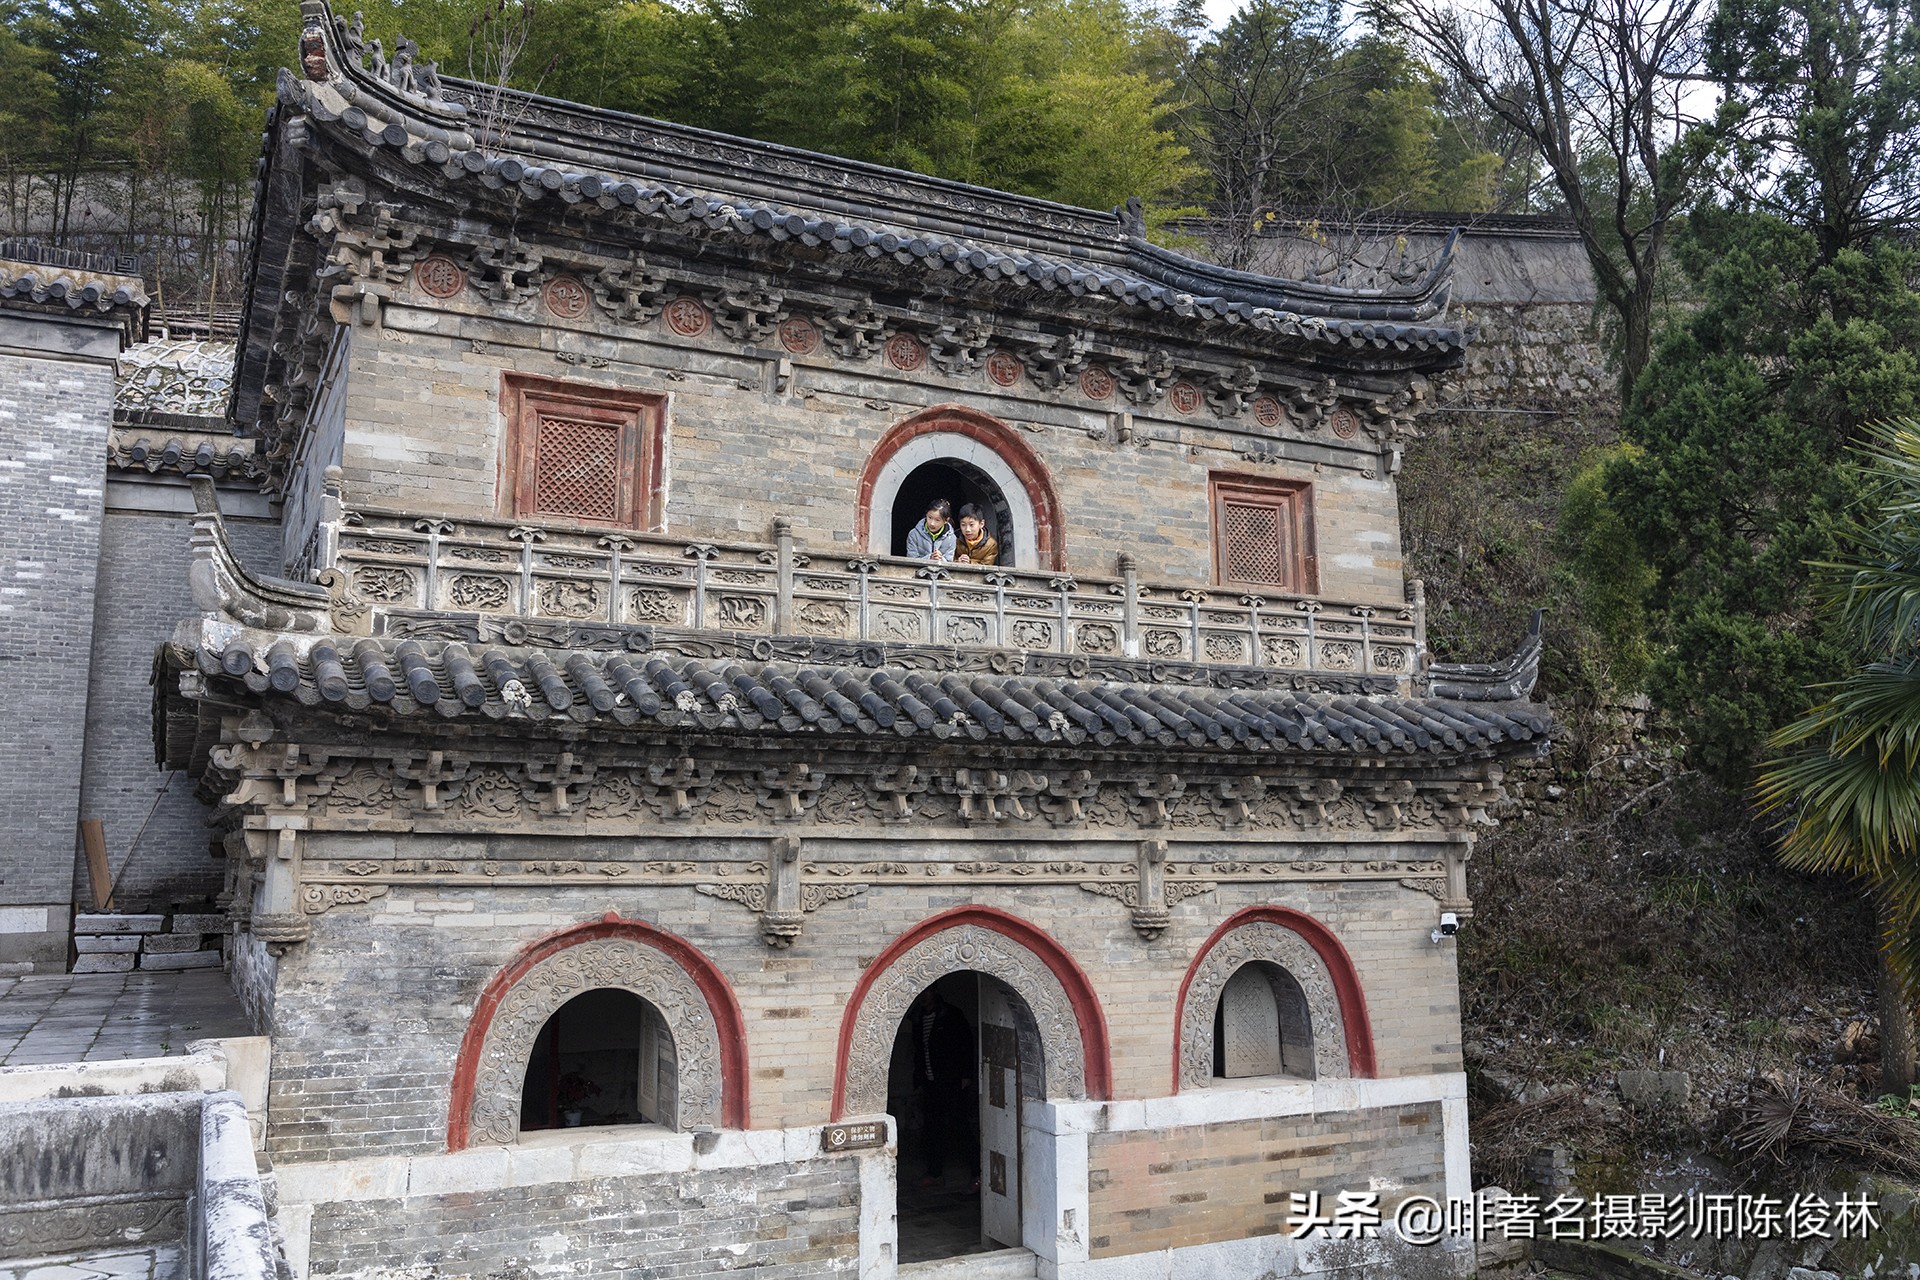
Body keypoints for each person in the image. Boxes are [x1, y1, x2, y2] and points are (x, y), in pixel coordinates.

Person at [910, 987, 974, 1184]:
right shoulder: (918, 1018)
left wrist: (965, 1074)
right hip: (931, 1082)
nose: (923, 996)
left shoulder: (951, 1015)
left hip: (951, 1080)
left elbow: (965, 1044)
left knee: (961, 1126)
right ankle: (935, 1173)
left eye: (926, 992)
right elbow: (919, 1051)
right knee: (932, 1128)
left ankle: (977, 1174)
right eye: (920, 993)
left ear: (935, 993)